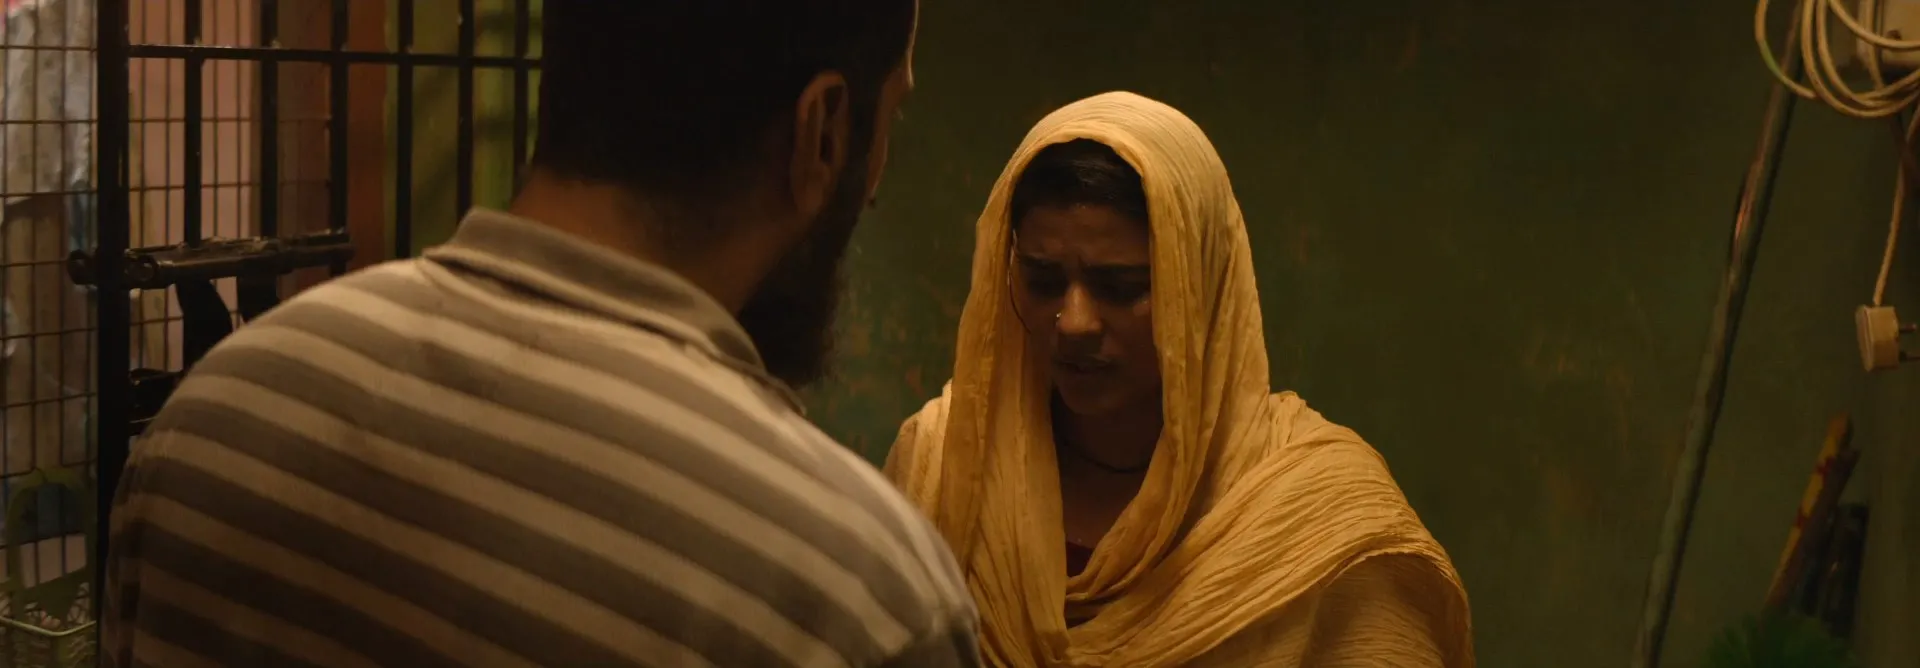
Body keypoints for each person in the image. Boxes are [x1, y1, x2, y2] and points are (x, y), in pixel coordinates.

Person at [102, 2, 982, 667]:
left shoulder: (215, 417)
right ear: (823, 130)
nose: (875, 184)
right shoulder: (858, 599)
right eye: (891, 117)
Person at [884, 91, 1474, 667]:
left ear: (1202, 285)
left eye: (1122, 288)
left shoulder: (1322, 519)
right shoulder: (946, 464)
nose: (1075, 322)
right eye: (1042, 280)